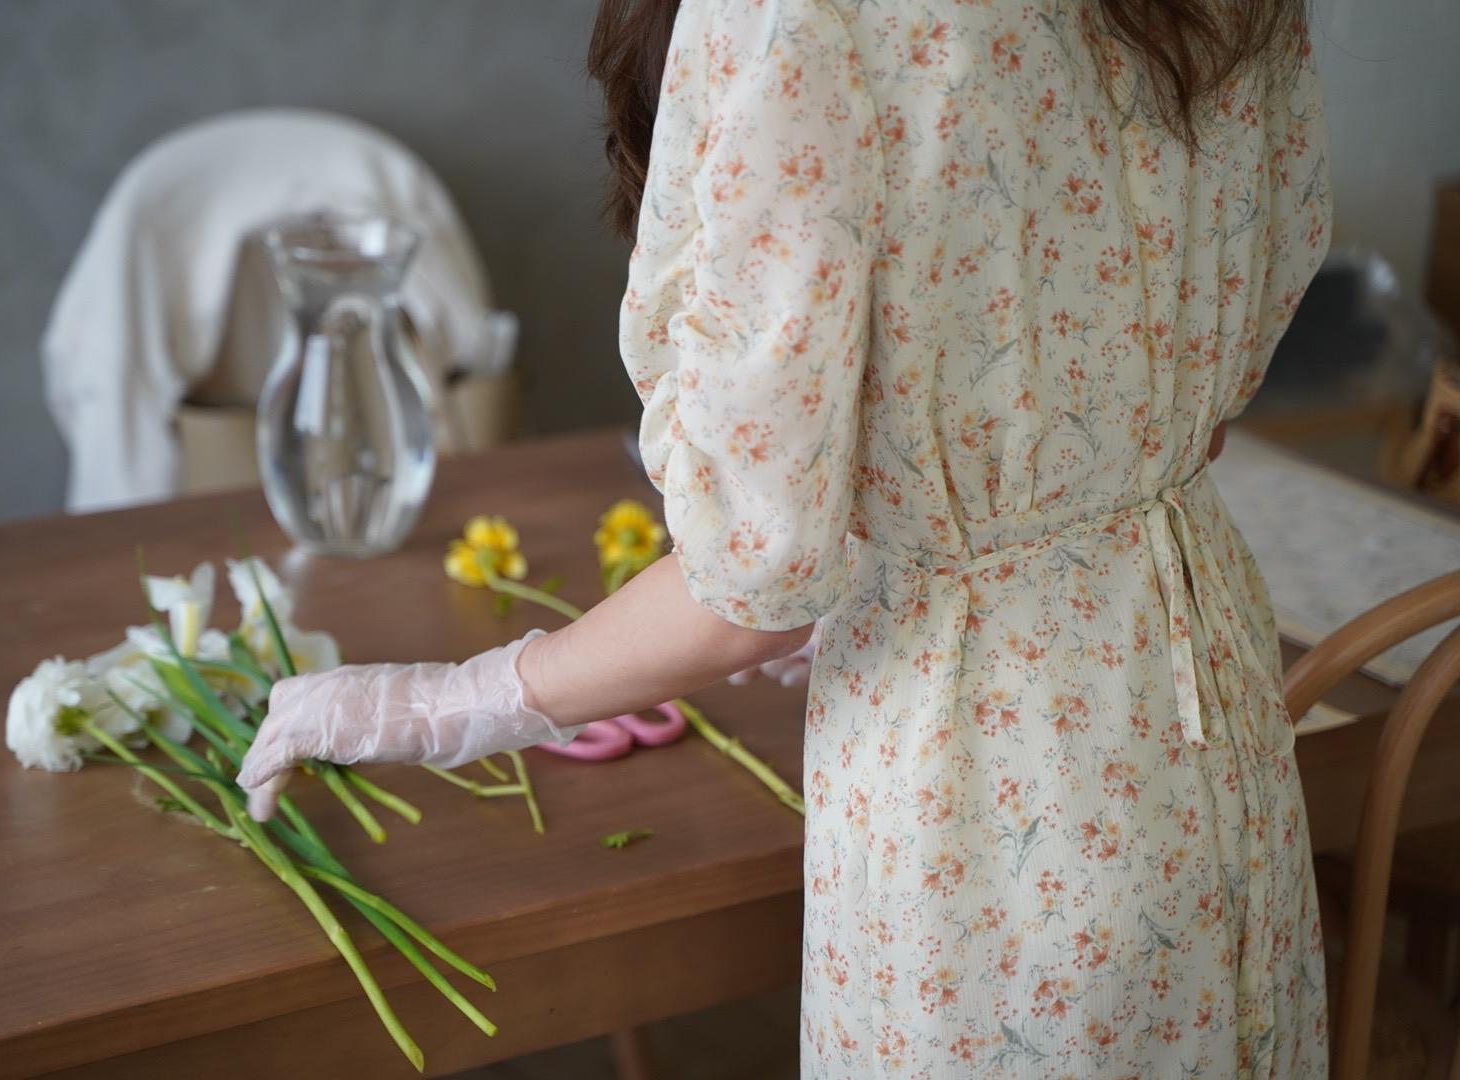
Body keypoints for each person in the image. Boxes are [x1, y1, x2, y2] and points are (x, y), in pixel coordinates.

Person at [237, 0, 1331, 1073]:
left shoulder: (796, 17)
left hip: (987, 806)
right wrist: (940, 534)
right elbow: (1191, 402)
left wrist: (432, 707)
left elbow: (747, 584)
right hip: (1211, 716)